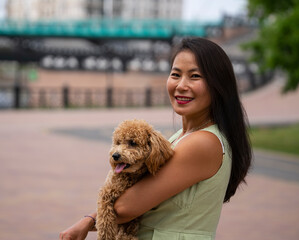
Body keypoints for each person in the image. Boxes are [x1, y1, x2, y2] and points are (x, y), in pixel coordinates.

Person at [59, 37, 252, 240]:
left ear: (218, 84)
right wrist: (88, 220)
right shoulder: (182, 136)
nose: (181, 85)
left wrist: (88, 220)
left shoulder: (203, 143)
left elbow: (125, 207)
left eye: (195, 76)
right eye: (175, 74)